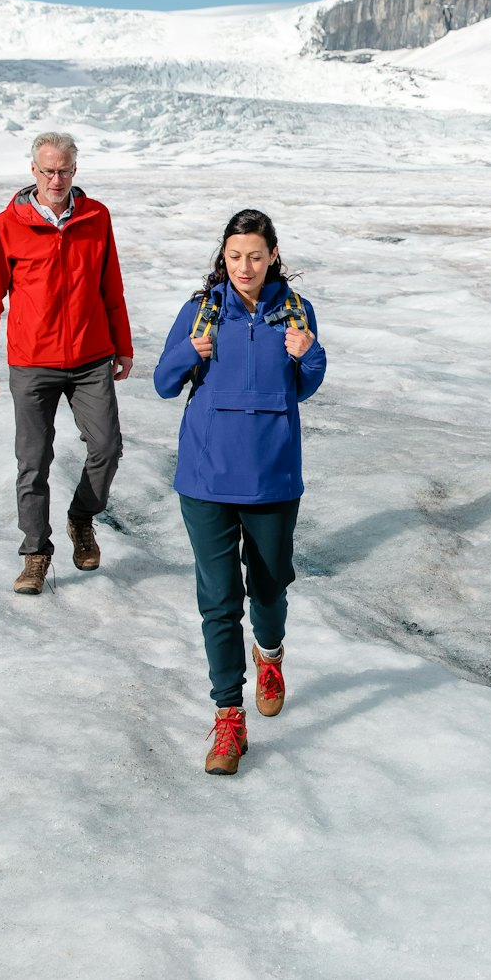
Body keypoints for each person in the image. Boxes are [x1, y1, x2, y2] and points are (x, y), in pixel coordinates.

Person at [153, 208, 326, 775]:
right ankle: (229, 716)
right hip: (206, 478)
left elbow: (303, 387)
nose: (244, 267)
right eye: (234, 256)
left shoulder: (296, 312)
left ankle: (270, 655)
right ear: (222, 258)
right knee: (219, 600)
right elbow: (163, 383)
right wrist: (190, 352)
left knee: (269, 588)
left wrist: (309, 354)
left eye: (255, 256)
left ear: (273, 255)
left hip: (272, 475)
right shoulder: (200, 312)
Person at [0, 132, 133, 595]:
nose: (56, 179)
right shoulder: (7, 225)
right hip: (32, 362)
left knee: (107, 447)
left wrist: (123, 346)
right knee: (33, 461)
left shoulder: (96, 217)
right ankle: (35, 554)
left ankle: (81, 518)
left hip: (91, 357)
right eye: (47, 171)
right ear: (33, 171)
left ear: (74, 171)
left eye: (63, 170)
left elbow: (111, 287)